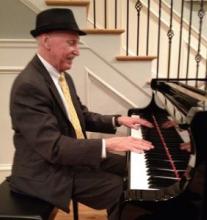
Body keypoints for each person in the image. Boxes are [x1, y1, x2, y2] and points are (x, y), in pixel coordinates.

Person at [8, 8, 154, 220]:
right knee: (121, 190)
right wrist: (109, 144)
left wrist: (118, 120)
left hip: (70, 158)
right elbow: (54, 148)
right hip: (44, 171)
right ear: (47, 41)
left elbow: (80, 117)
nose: (77, 50)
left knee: (133, 166)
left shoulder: (62, 78)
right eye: (71, 43)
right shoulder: (29, 85)